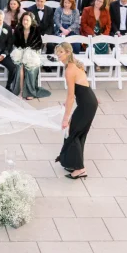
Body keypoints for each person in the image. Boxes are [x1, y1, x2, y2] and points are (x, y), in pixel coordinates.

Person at [55, 41, 98, 179]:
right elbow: (82, 87)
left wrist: (65, 118)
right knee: (78, 133)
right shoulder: (75, 64)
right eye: (57, 52)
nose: (58, 55)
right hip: (89, 101)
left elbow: (71, 96)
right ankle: (73, 163)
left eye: (61, 52)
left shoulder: (69, 70)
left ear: (68, 52)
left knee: (73, 133)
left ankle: (80, 169)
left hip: (86, 104)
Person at [12, 12, 49, 99]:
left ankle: (29, 92)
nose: (25, 22)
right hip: (20, 52)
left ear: (31, 21)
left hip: (32, 53)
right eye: (24, 20)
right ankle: (21, 91)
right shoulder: (18, 29)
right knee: (20, 68)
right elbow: (15, 43)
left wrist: (28, 51)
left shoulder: (35, 29)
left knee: (31, 68)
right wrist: (22, 51)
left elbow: (39, 44)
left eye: (27, 20)